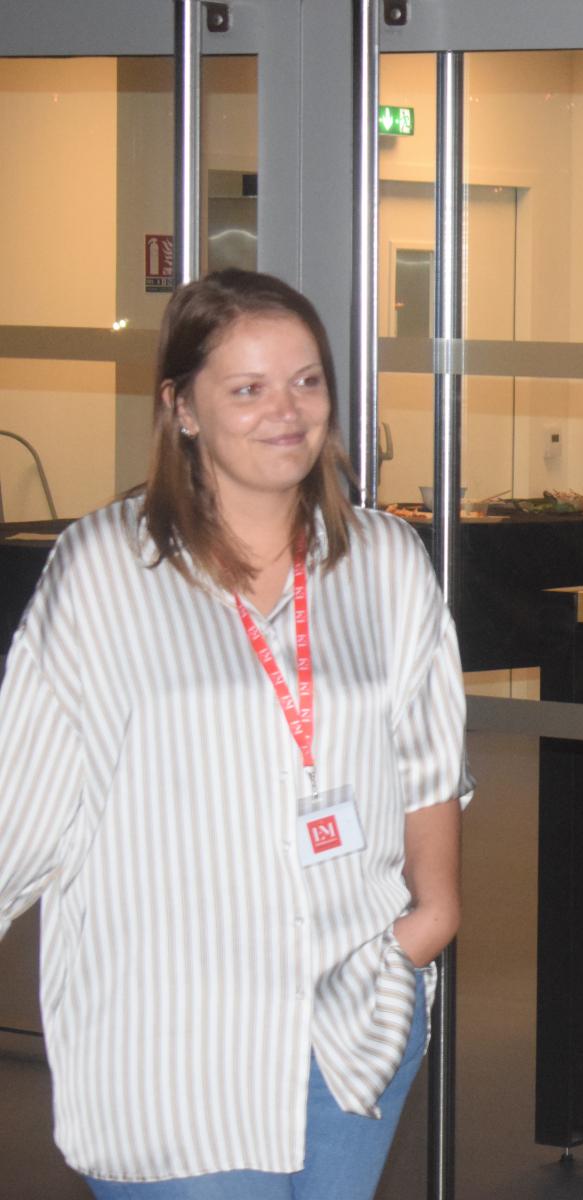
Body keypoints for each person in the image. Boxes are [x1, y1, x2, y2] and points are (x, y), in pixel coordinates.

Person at [0, 269, 472, 1197]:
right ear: (181, 408)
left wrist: (428, 924)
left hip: (352, 1019)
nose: (285, 412)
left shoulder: (384, 561)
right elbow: (24, 796)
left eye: (306, 381)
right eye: (247, 388)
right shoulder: (105, 569)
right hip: (172, 1040)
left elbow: (428, 762)